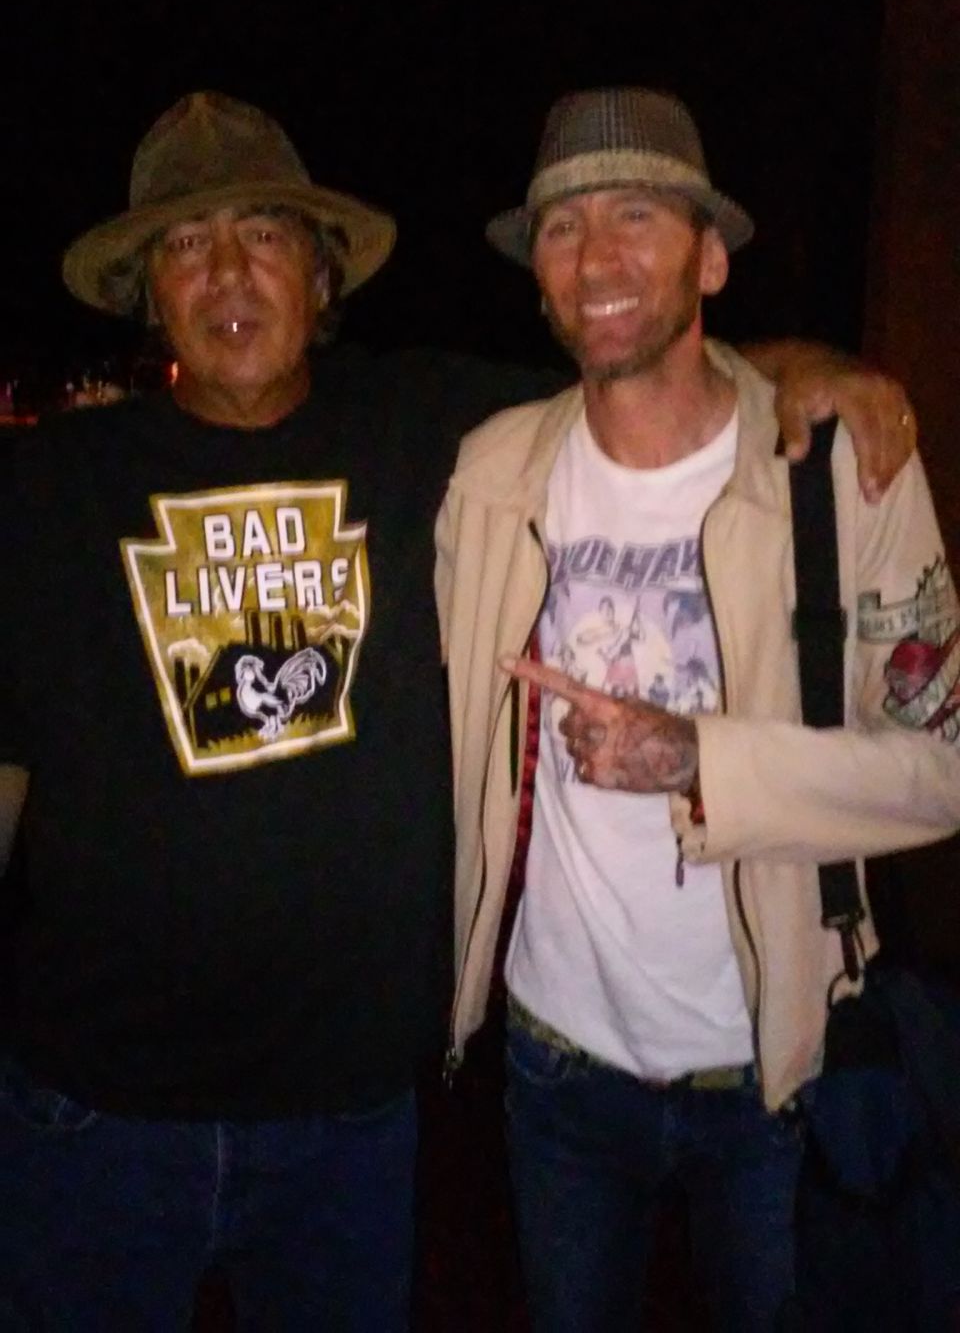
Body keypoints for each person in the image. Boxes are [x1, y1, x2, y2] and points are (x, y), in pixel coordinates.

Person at [0, 89, 916, 1330]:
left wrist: (806, 369)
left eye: (263, 234)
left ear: (321, 278)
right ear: (146, 293)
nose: (226, 273)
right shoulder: (49, 482)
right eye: (185, 243)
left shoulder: (434, 424)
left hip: (346, 1114)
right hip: (92, 1107)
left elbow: (644, 367)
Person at [435, 86, 960, 1332]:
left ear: (710, 257)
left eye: (637, 215)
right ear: (537, 275)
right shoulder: (490, 473)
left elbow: (942, 763)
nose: (596, 257)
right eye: (563, 227)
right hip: (557, 1062)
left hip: (776, 1067)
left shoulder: (841, 471)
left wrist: (701, 760)